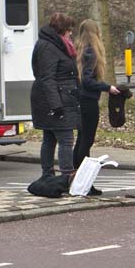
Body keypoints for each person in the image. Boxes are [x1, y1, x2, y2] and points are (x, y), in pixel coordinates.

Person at [30, 12, 81, 180]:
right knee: (65, 138)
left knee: (50, 138)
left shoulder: (53, 44)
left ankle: (48, 175)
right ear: (62, 30)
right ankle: (66, 176)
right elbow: (47, 77)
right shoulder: (49, 47)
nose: (71, 33)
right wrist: (56, 105)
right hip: (56, 99)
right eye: (69, 29)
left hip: (58, 97)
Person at [72, 19, 120, 195]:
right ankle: (84, 182)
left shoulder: (79, 49)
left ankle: (76, 178)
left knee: (81, 141)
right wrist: (107, 87)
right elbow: (88, 80)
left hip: (80, 100)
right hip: (88, 101)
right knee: (86, 142)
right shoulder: (91, 52)